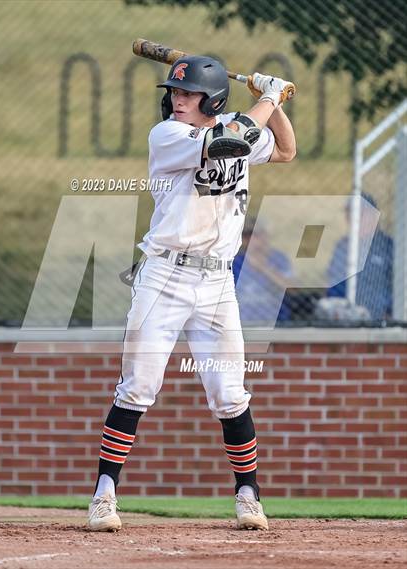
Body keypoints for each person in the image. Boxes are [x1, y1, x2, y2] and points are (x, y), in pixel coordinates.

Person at [87, 55, 296, 532]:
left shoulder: (236, 124)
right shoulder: (167, 135)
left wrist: (275, 100)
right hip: (165, 275)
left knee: (230, 393)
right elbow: (227, 142)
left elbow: (285, 150)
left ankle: (248, 494)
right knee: (138, 387)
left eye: (188, 94)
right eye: (175, 93)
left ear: (214, 100)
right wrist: (268, 96)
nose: (177, 100)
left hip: (218, 283)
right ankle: (104, 494)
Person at [327, 192, 393, 320]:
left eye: (357, 213)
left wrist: (390, 313)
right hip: (344, 318)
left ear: (373, 215)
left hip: (379, 319)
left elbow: (399, 286)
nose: (350, 218)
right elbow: (334, 284)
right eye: (348, 213)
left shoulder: (388, 246)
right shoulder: (342, 246)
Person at [233, 220, 296, 324]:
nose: (250, 240)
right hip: (243, 322)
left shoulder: (279, 258)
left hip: (276, 322)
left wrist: (264, 268)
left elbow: (292, 289)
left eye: (255, 235)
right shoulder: (235, 261)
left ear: (265, 236)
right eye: (246, 236)